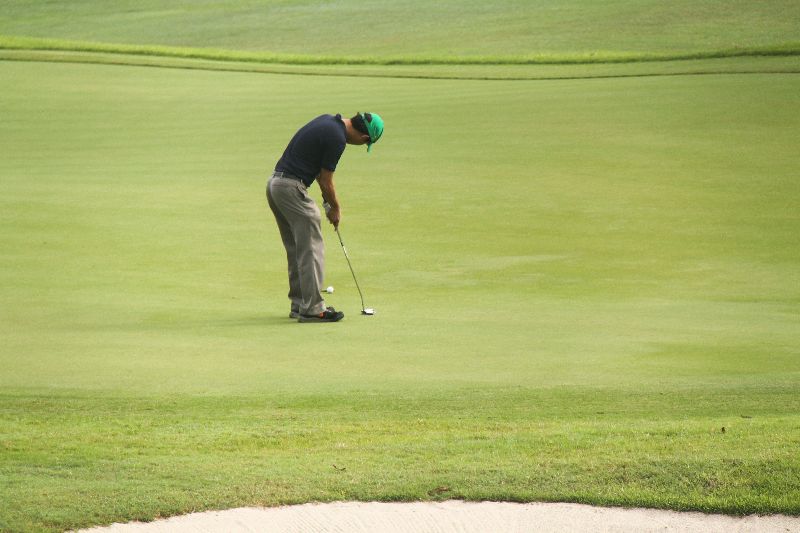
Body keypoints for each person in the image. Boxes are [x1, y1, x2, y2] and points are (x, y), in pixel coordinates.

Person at [266, 112, 384, 323]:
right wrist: (335, 208)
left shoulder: (328, 121)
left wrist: (328, 205)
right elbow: (326, 180)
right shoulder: (337, 139)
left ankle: (301, 304)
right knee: (311, 247)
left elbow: (321, 176)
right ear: (364, 138)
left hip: (275, 185)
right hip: (291, 188)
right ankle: (313, 309)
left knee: (297, 248)